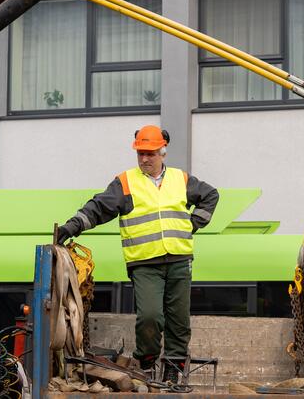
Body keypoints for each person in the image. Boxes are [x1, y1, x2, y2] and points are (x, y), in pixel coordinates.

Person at [57, 125, 219, 384]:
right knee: (150, 316)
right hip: (144, 263)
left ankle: (172, 368)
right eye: (140, 153)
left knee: (179, 321)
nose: (144, 159)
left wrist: (193, 224)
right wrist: (72, 226)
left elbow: (210, 196)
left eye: (150, 154)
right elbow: (98, 208)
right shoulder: (126, 182)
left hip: (179, 260)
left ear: (162, 152)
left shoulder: (181, 179)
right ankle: (146, 360)